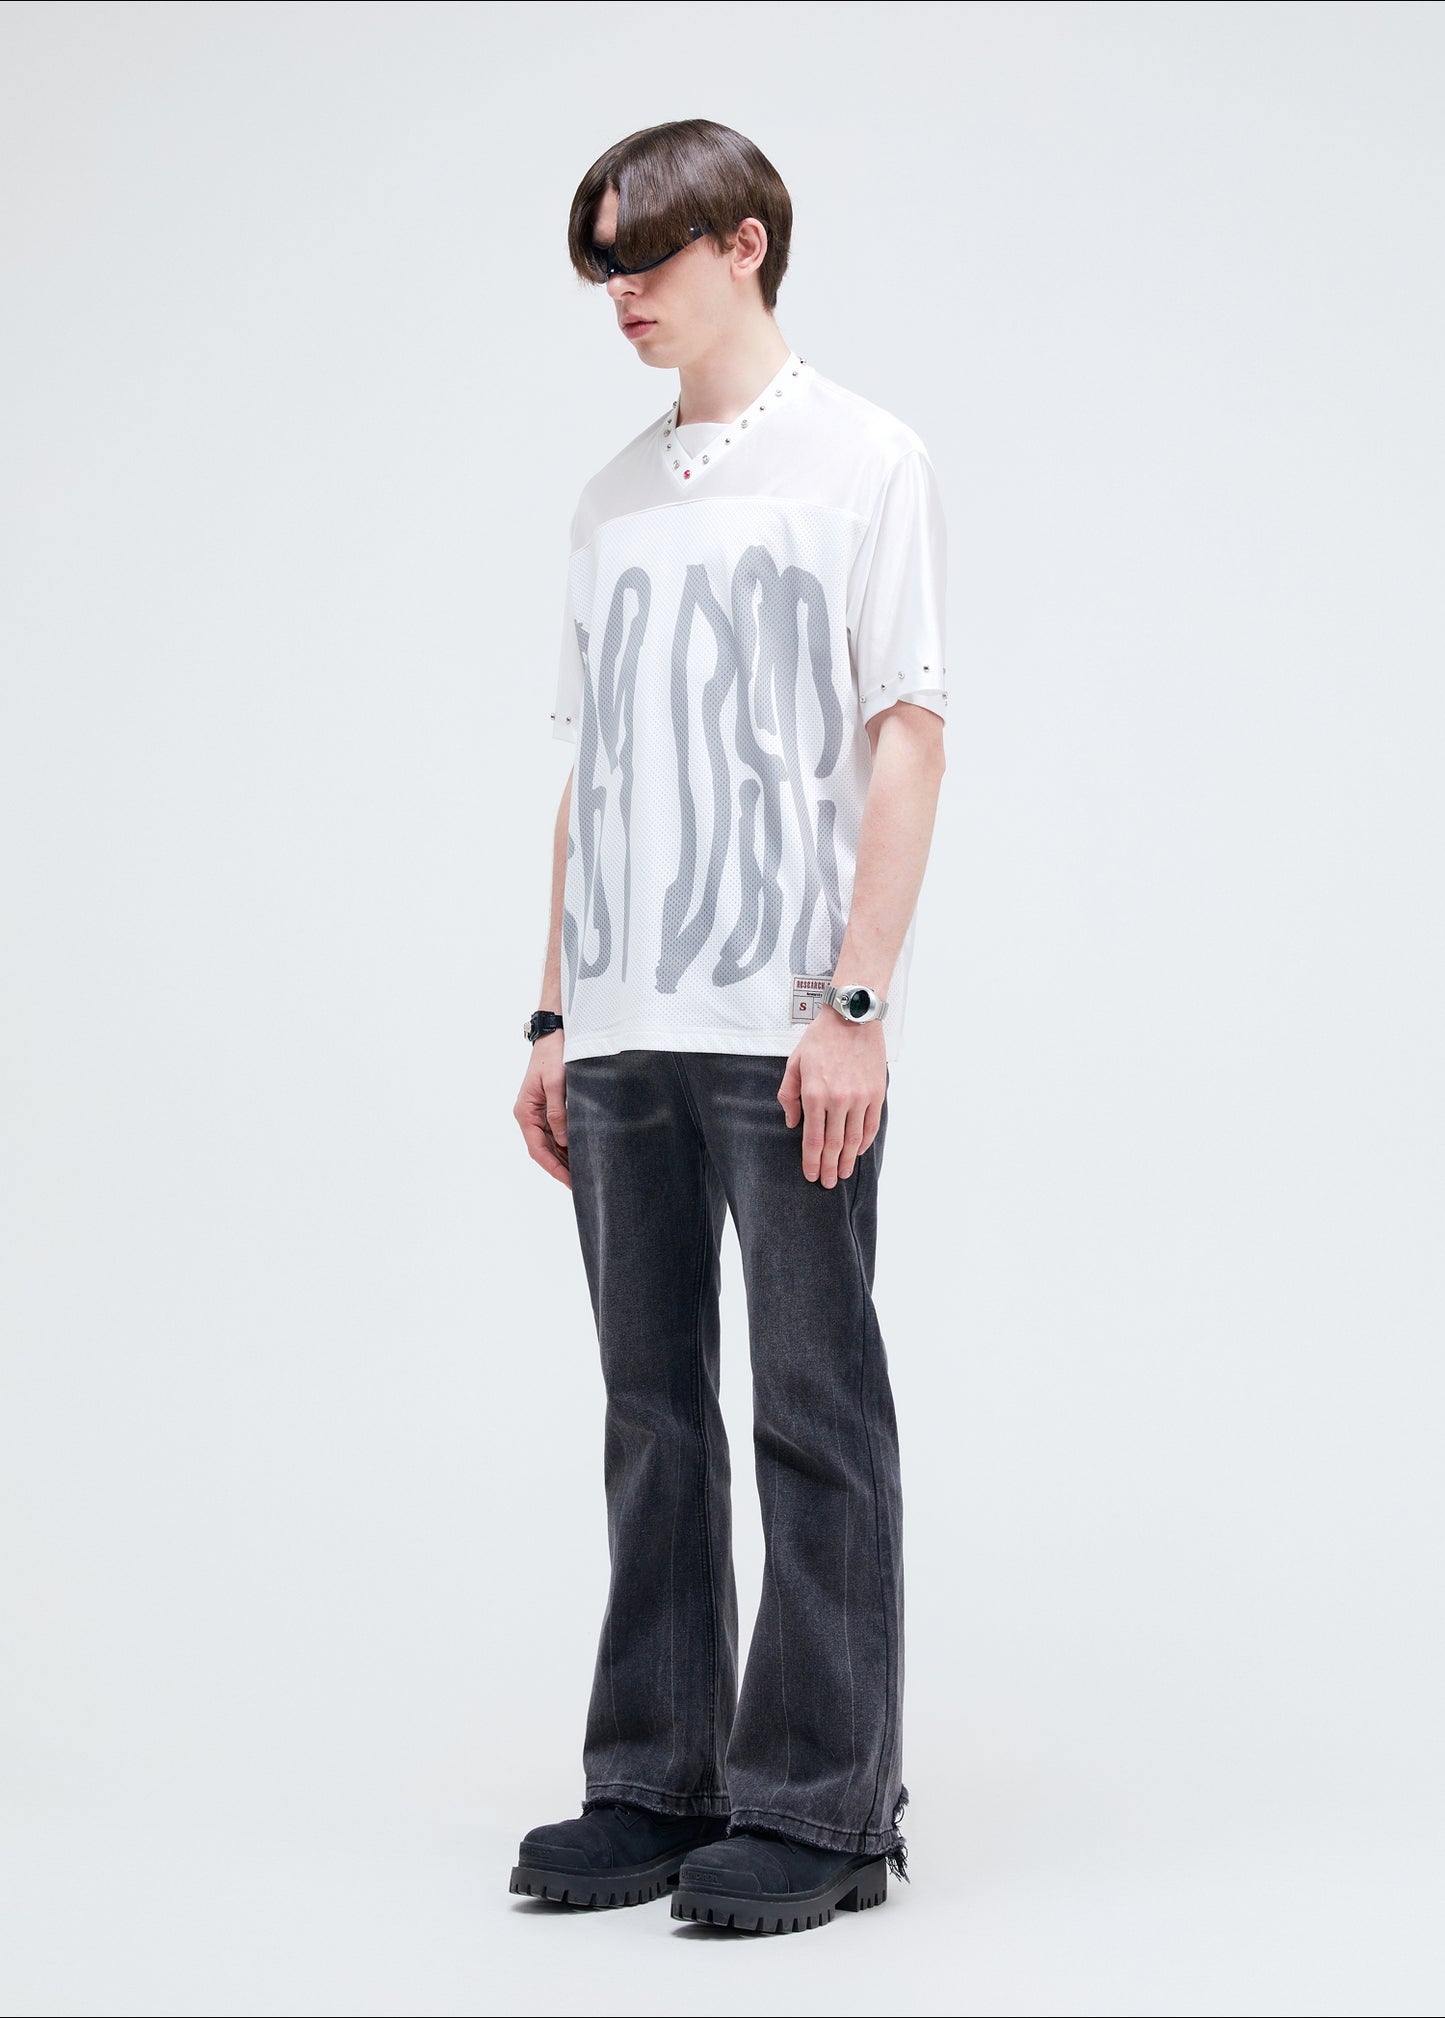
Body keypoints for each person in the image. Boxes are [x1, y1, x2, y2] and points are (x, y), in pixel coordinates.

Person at [510, 118, 949, 1937]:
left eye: (646, 257)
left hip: (782, 1025)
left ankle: (824, 1805)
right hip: (622, 1021)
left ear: (744, 242)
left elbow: (906, 734)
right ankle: (657, 1773)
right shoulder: (609, 498)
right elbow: (590, 767)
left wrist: (854, 1004)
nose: (620, 294)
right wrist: (553, 1008)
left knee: (813, 1404)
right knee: (648, 1411)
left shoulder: (863, 458)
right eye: (601, 267)